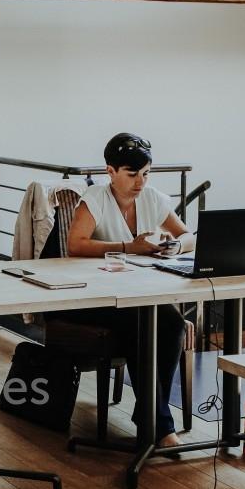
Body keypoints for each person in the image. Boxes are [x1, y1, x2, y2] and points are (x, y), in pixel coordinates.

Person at [66, 132, 194, 447]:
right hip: (94, 297)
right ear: (111, 172)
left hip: (137, 294)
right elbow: (75, 245)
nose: (140, 182)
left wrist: (176, 246)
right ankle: (160, 426)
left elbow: (190, 235)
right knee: (145, 326)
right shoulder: (95, 198)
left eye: (146, 174)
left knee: (173, 323)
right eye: (132, 174)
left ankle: (150, 416)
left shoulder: (153, 199)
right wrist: (128, 246)